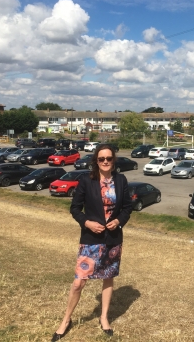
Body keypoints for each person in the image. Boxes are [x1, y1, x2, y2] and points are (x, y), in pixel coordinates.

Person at [51, 144, 132, 341]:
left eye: (109, 158)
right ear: (96, 161)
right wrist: (87, 223)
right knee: (79, 282)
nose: (105, 161)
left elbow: (128, 207)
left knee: (108, 277)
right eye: (101, 158)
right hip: (90, 239)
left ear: (114, 161)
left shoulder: (121, 180)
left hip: (113, 239)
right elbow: (75, 208)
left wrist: (119, 221)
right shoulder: (87, 180)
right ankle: (66, 320)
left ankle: (104, 317)